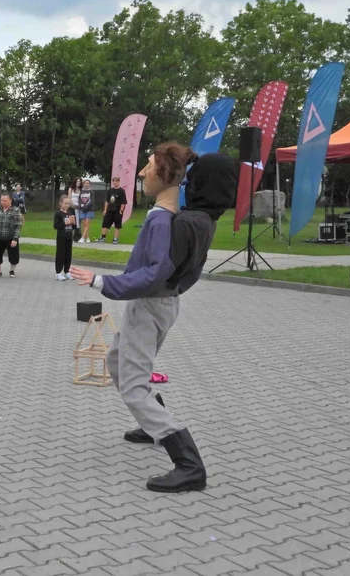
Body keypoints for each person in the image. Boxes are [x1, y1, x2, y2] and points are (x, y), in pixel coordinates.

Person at [71, 145, 237, 493]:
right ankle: (152, 424)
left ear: (166, 175)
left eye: (149, 166)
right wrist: (172, 290)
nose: (142, 173)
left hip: (150, 305)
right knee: (117, 362)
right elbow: (186, 272)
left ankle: (189, 464)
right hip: (160, 303)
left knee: (133, 386)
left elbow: (156, 272)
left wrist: (102, 282)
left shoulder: (173, 221)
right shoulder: (199, 219)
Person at [98, 175, 128, 244]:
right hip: (109, 210)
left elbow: (123, 202)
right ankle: (103, 237)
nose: (115, 182)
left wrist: (121, 211)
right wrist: (105, 210)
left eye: (116, 181)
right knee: (105, 223)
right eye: (114, 181)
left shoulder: (121, 191)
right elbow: (107, 201)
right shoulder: (110, 190)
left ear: (119, 182)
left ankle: (115, 238)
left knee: (117, 225)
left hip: (117, 210)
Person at [53, 195, 77, 281]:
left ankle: (67, 271)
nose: (67, 205)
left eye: (68, 203)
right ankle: (58, 272)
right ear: (60, 203)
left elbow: (73, 227)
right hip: (61, 237)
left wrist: (73, 222)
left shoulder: (70, 213)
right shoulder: (58, 214)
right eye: (65, 203)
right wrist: (66, 223)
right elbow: (56, 226)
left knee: (68, 254)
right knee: (60, 254)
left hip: (69, 236)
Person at [77, 179, 95, 243]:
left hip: (89, 209)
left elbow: (92, 201)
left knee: (87, 223)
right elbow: (79, 200)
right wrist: (81, 206)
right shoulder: (81, 192)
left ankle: (82, 238)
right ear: (83, 184)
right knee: (84, 224)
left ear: (89, 184)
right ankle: (87, 237)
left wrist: (86, 207)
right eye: (85, 183)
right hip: (82, 210)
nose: (86, 184)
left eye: (88, 183)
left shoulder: (91, 192)